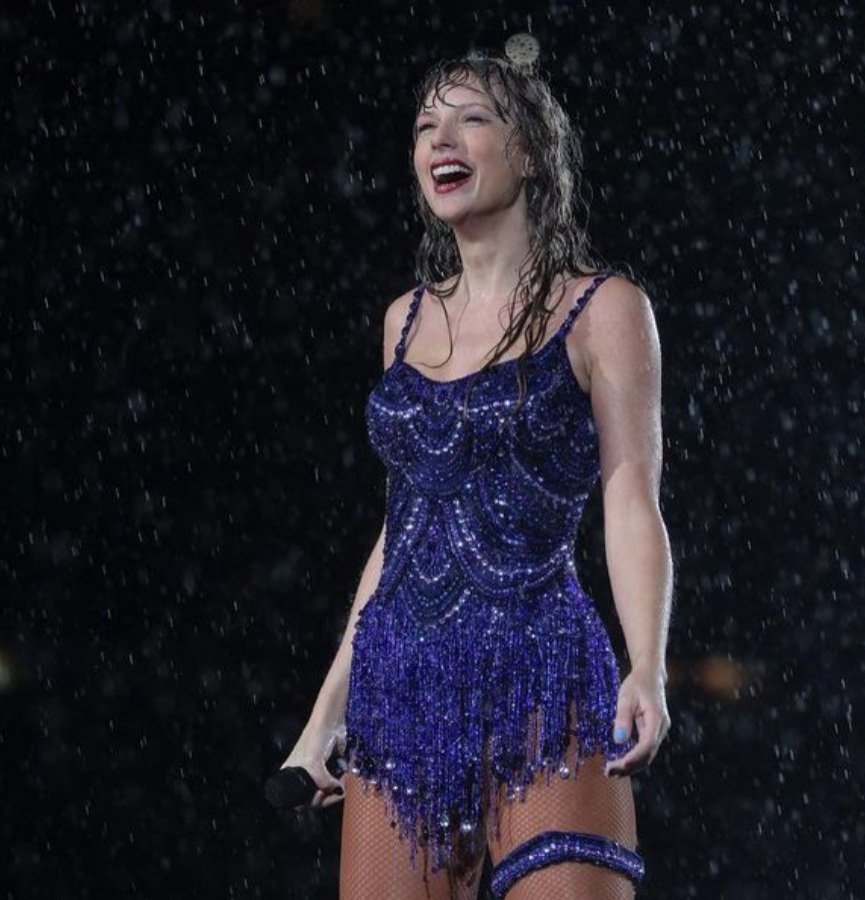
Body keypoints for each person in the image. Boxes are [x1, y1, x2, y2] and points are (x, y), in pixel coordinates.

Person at [278, 43, 674, 899]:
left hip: (541, 677)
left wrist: (647, 663)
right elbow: (403, 530)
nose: (441, 140)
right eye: (426, 126)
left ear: (529, 151)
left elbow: (629, 496)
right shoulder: (404, 321)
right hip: (400, 688)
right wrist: (325, 714)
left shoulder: (603, 307)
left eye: (471, 120)